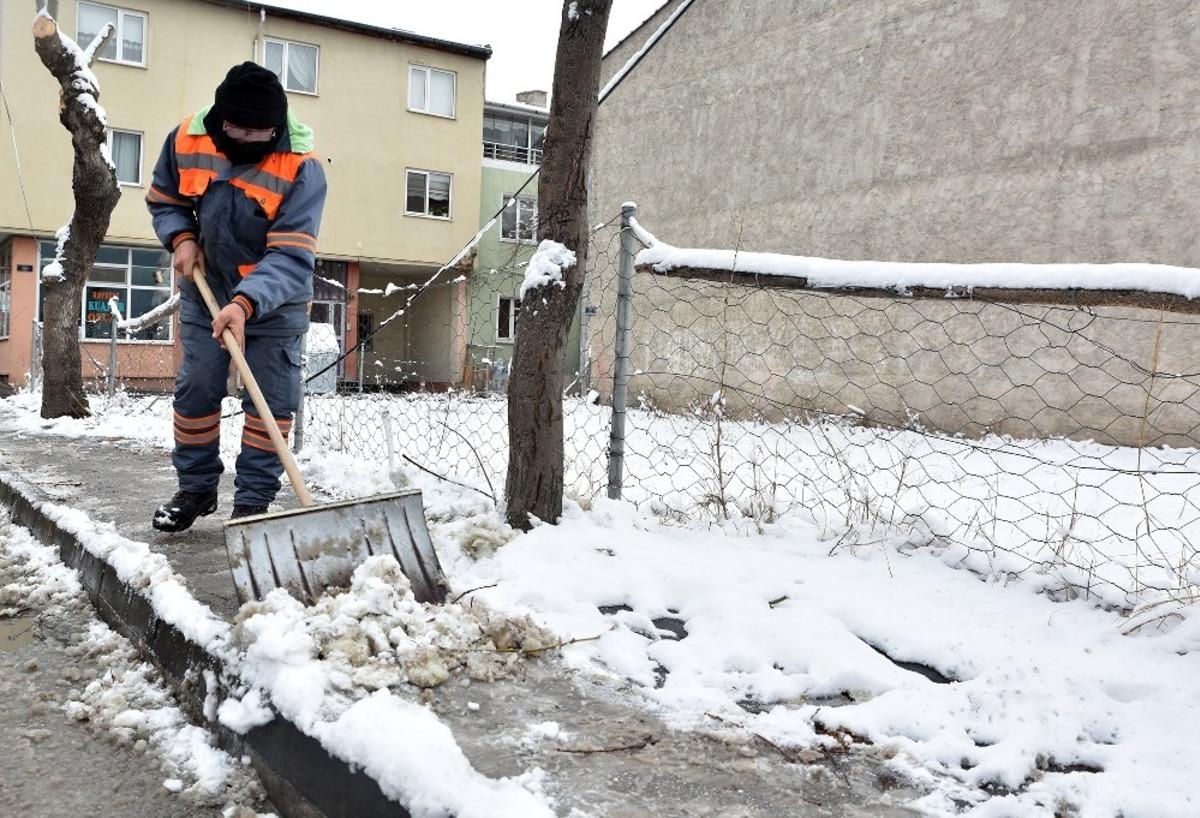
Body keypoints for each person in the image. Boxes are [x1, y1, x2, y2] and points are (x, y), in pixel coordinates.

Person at [145, 62, 327, 532]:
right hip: (207, 291)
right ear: (219, 119)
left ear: (277, 124)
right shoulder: (187, 139)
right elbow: (165, 199)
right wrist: (181, 237)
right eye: (237, 129)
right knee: (196, 388)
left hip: (274, 300)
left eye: (259, 131)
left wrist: (245, 304)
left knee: (270, 401)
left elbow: (290, 254)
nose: (247, 139)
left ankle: (252, 505)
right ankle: (197, 489)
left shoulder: (302, 167)